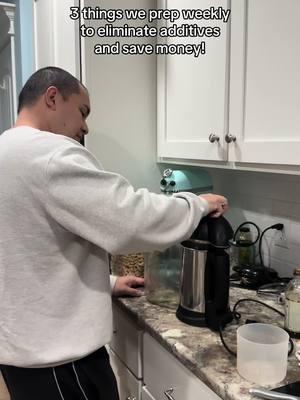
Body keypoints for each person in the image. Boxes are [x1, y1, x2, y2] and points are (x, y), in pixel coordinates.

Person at [0, 66, 228, 400]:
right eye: (82, 111)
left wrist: (106, 284)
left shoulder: (7, 150)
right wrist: (197, 204)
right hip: (62, 365)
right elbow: (130, 219)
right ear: (52, 97)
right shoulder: (49, 154)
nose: (85, 126)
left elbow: (24, 254)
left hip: (24, 357)